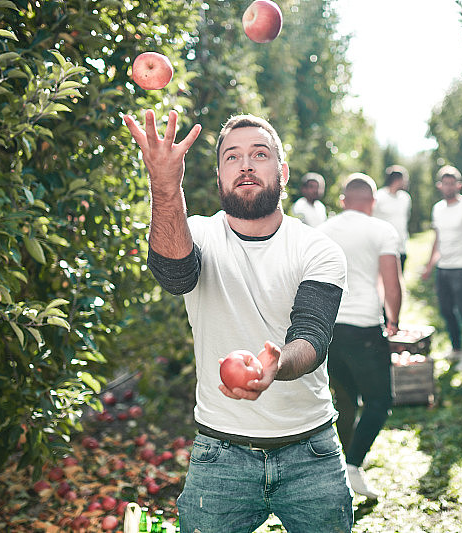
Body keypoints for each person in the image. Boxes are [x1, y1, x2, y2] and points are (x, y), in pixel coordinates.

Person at [123, 110, 353, 533]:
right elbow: (174, 277)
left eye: (259, 154)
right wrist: (163, 182)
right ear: (218, 176)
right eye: (232, 157)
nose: (245, 164)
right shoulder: (198, 236)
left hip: (311, 452)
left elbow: (312, 336)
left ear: (282, 171)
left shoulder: (317, 249)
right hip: (219, 454)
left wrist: (275, 366)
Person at [319, 173, 403, 500]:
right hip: (365, 327)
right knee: (380, 401)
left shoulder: (322, 230)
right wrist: (393, 320)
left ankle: (338, 467)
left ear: (342, 201)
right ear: (372, 202)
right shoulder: (381, 230)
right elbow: (391, 284)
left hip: (328, 329)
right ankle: (352, 464)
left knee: (346, 400)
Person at [421, 165, 462, 371]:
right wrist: (430, 265)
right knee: (446, 311)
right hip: (443, 268)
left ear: (459, 184)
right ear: (440, 186)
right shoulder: (437, 208)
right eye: (445, 183)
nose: (449, 186)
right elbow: (437, 239)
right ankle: (456, 349)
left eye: (452, 183)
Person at [373, 165, 412, 271]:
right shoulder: (378, 196)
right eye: (405, 179)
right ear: (397, 179)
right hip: (382, 249)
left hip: (401, 248)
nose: (406, 182)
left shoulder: (406, 198)